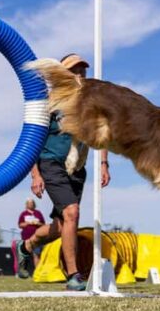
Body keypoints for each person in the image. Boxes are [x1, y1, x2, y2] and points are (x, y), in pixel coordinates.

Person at [17, 53, 111, 291]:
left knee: (61, 226)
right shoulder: (49, 103)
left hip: (77, 168)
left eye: (83, 71)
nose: (80, 75)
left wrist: (103, 164)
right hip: (51, 162)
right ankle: (73, 276)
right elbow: (31, 142)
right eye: (75, 71)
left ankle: (27, 246)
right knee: (72, 213)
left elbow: (102, 135)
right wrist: (35, 174)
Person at [17, 198, 46, 268]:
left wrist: (38, 223)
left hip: (37, 238)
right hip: (26, 238)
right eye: (29, 203)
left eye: (32, 203)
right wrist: (28, 223)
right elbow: (20, 225)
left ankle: (38, 271)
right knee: (24, 255)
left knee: (37, 254)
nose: (31, 204)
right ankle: (22, 271)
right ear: (26, 204)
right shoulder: (23, 214)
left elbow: (44, 225)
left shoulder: (38, 213)